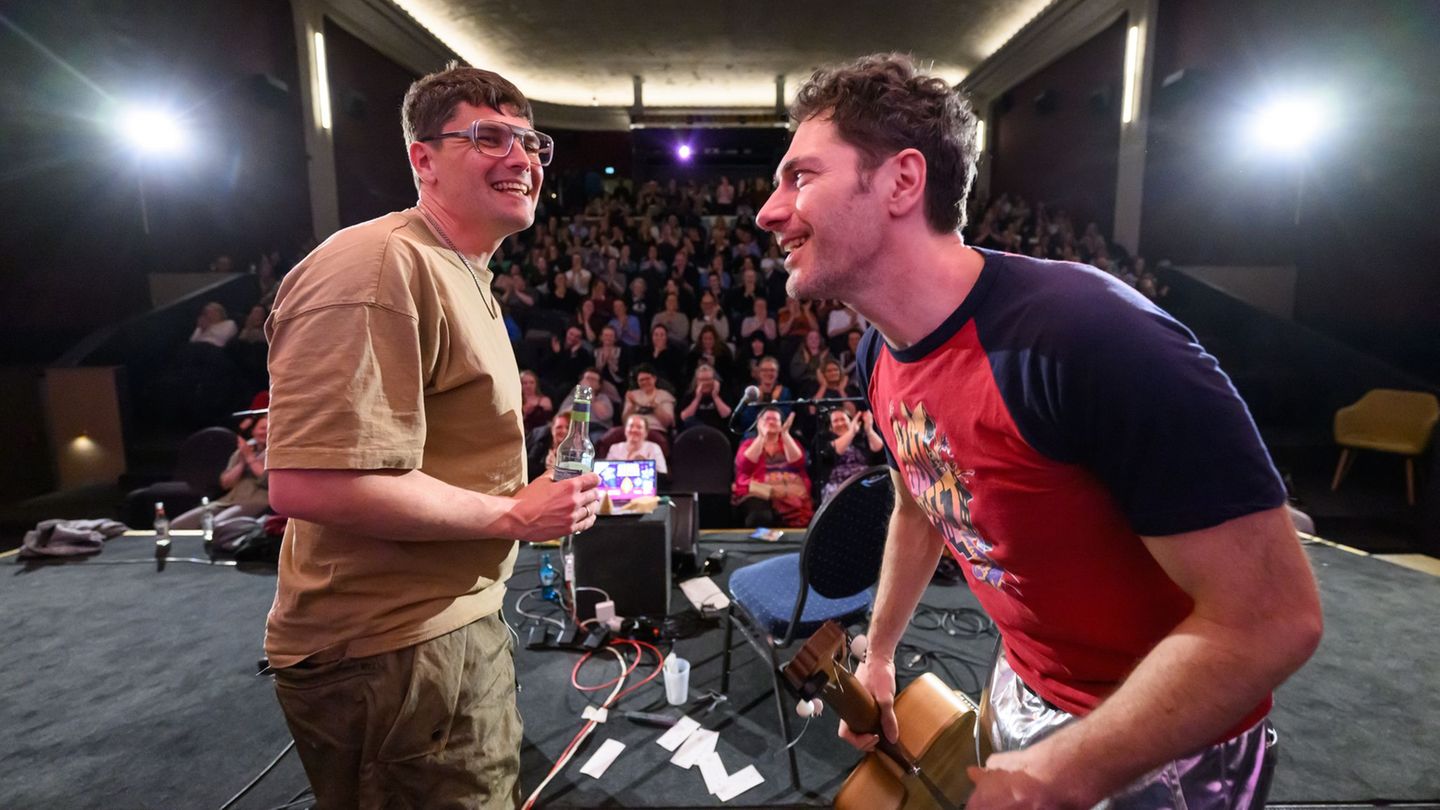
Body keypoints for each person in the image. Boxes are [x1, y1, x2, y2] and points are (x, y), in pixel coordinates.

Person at [756, 53, 1322, 809]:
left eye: (800, 177)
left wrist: (1066, 771)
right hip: (1020, 686)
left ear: (900, 181)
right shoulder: (876, 351)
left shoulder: (1086, 334)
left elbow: (1274, 619)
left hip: (1166, 744)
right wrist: (880, 654)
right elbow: (922, 505)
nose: (769, 209)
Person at [263, 64, 601, 809]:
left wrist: (523, 494)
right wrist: (515, 515)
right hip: (394, 650)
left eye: (531, 143)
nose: (523, 159)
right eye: (489, 137)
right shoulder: (380, 263)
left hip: (439, 631)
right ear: (423, 158)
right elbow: (312, 482)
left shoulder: (460, 271)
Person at [171, 415, 272, 529]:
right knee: (177, 526)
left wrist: (250, 459)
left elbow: (269, 481)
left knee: (215, 526)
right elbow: (226, 484)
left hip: (258, 501)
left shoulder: (277, 453)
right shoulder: (242, 451)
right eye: (262, 428)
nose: (266, 431)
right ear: (253, 431)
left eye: (270, 427)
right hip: (228, 501)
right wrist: (242, 463)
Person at [731, 406, 813, 528]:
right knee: (760, 517)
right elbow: (745, 465)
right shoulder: (748, 443)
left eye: (775, 419)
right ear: (759, 423)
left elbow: (798, 463)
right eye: (767, 419)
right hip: (761, 492)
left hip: (792, 493)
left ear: (781, 424)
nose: (771, 422)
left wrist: (785, 434)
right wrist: (761, 436)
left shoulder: (790, 441)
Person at [812, 408, 883, 505]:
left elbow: (880, 451)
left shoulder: (860, 438)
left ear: (851, 422)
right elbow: (831, 453)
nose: (840, 423)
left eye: (843, 419)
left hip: (865, 481)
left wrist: (869, 430)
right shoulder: (823, 440)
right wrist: (852, 431)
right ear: (830, 427)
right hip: (839, 486)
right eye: (836, 421)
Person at [679, 362, 733, 432]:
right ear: (696, 381)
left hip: (718, 432)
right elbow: (685, 418)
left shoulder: (723, 392)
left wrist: (715, 396)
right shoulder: (690, 395)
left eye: (708, 379)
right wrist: (697, 398)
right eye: (701, 380)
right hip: (697, 432)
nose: (705, 383)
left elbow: (726, 415)